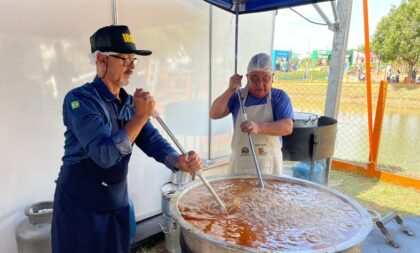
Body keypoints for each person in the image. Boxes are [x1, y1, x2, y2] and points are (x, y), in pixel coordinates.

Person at [51, 25, 202, 253]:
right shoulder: (80, 100)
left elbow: (151, 139)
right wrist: (140, 117)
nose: (132, 67)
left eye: (133, 60)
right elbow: (104, 155)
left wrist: (178, 160)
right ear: (102, 59)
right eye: (124, 60)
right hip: (80, 207)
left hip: (115, 201)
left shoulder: (129, 102)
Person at [210, 53, 293, 176]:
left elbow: (287, 127)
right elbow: (214, 114)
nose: (260, 85)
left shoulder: (279, 97)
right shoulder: (238, 96)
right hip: (240, 164)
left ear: (273, 77)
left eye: (266, 79)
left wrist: (259, 127)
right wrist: (230, 90)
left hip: (270, 166)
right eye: (254, 79)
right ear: (247, 77)